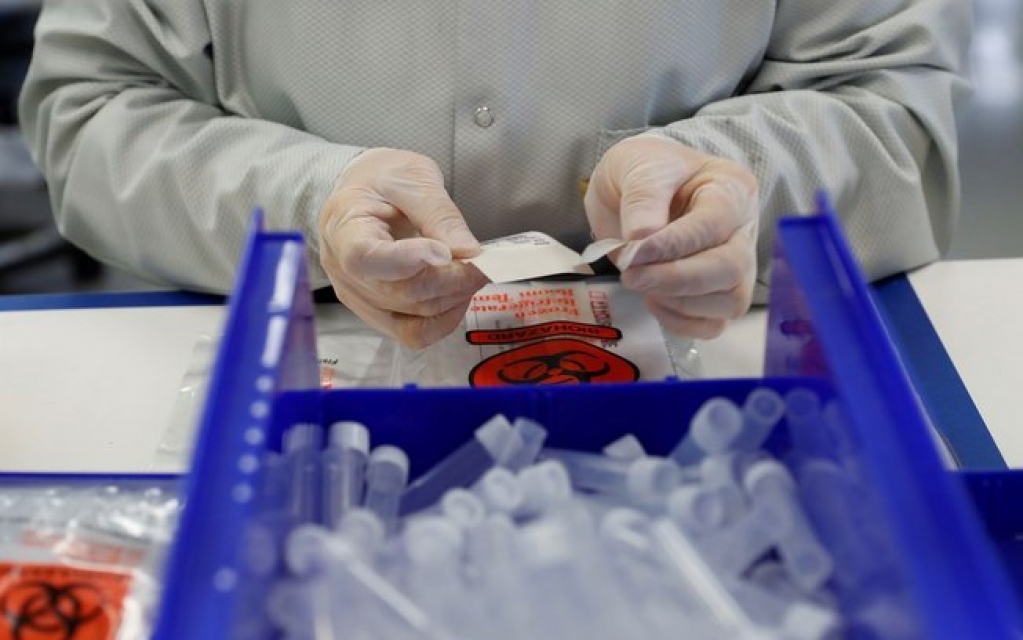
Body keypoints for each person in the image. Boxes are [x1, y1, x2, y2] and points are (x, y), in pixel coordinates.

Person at [19, 2, 971, 348]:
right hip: (306, 363)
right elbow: (94, 106)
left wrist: (735, 176)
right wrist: (311, 203)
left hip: (708, 340)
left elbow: (890, 97)